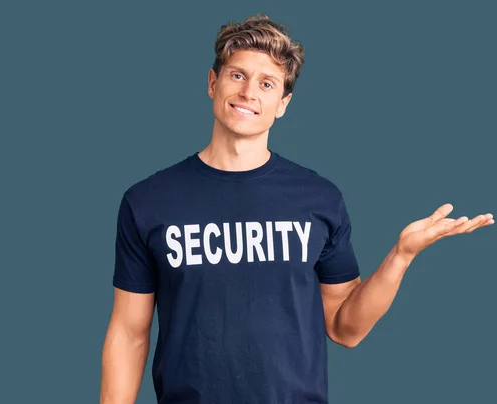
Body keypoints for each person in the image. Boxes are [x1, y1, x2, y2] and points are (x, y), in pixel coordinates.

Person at [99, 13, 493, 404]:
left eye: (267, 83)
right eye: (237, 75)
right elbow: (129, 333)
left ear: (283, 103)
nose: (249, 92)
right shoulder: (148, 200)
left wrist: (401, 255)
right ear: (212, 82)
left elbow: (346, 329)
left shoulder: (318, 198)